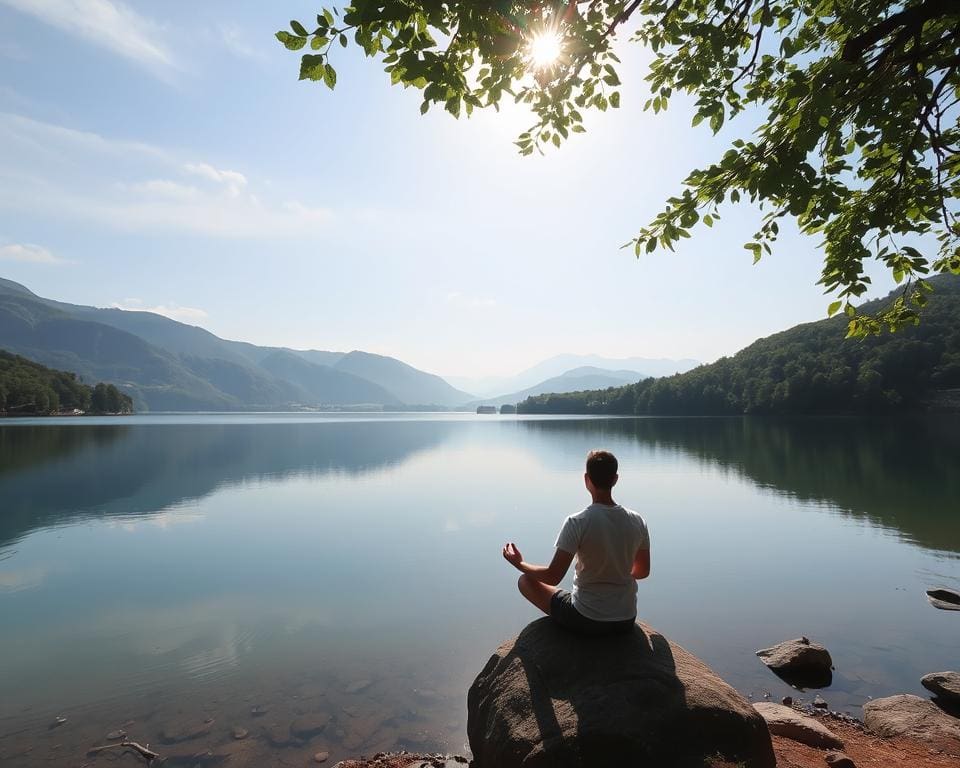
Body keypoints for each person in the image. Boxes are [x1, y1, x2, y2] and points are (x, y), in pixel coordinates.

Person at [502, 449, 650, 635]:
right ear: (615, 479)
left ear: (586, 479)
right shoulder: (637, 521)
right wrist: (616, 571)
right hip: (626, 620)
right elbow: (643, 571)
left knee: (525, 581)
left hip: (585, 618)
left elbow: (553, 576)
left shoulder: (577, 522)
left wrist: (519, 563)